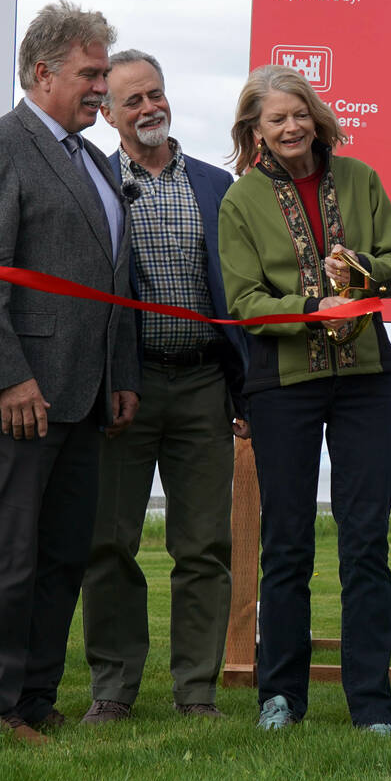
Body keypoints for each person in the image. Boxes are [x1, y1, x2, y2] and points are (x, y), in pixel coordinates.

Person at [0, 0, 140, 743]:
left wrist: (120, 374)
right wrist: (6, 377)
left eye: (104, 73)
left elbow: (112, 282)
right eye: (91, 74)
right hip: (14, 397)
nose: (102, 87)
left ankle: (32, 696)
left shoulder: (91, 159)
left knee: (59, 555)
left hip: (81, 397)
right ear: (42, 71)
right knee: (2, 553)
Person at [216, 65, 391, 734]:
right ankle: (281, 697)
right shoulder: (240, 201)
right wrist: (311, 306)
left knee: (365, 542)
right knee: (287, 544)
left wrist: (359, 268)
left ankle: (372, 705)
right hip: (282, 385)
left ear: (316, 115)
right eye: (276, 119)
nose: (292, 126)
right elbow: (243, 303)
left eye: (299, 112)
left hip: (365, 378)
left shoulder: (361, 179)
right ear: (256, 131)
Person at [79, 49, 249, 723]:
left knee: (204, 544)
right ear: (107, 115)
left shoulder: (217, 185)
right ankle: (114, 689)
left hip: (205, 383)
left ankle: (197, 691)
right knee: (109, 540)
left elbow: (238, 297)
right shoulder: (91, 180)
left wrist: (245, 394)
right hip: (126, 387)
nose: (149, 108)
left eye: (156, 94)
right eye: (132, 101)